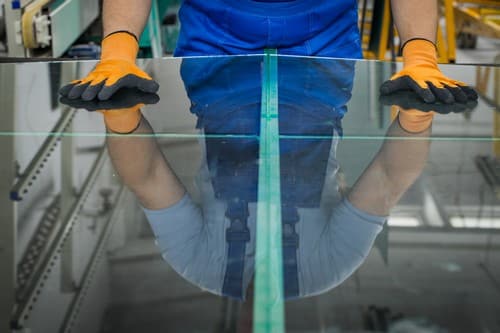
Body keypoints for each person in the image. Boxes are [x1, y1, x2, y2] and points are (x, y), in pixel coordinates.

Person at [59, 0, 478, 104]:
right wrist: (117, 49)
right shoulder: (200, 256)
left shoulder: (332, 258)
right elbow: (149, 179)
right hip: (213, 56)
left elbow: (387, 182)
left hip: (325, 58)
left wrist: (421, 52)